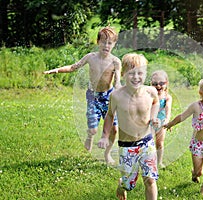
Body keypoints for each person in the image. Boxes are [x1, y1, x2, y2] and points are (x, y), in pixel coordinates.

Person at [43, 27, 121, 164]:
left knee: (114, 129)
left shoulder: (115, 62)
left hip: (108, 97)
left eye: (110, 43)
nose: (106, 46)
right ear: (98, 42)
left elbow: (117, 81)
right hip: (93, 96)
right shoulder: (90, 57)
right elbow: (73, 67)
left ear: (114, 44)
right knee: (93, 128)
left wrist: (119, 91)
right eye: (103, 42)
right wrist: (56, 70)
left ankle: (107, 154)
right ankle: (90, 136)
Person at [98, 53, 160, 200]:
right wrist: (105, 136)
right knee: (129, 184)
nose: (136, 77)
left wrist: (153, 116)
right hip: (127, 146)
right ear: (124, 73)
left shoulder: (151, 92)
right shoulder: (117, 96)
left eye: (140, 73)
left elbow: (156, 103)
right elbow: (109, 116)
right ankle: (122, 184)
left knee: (150, 180)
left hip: (147, 143)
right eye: (132, 73)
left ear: (145, 74)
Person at [150, 70, 172, 168]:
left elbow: (168, 110)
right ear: (151, 84)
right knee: (149, 142)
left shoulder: (167, 97)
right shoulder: (149, 95)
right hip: (150, 121)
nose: (158, 86)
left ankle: (159, 162)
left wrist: (167, 120)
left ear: (166, 84)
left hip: (162, 122)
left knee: (160, 143)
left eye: (161, 83)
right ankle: (149, 160)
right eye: (155, 84)